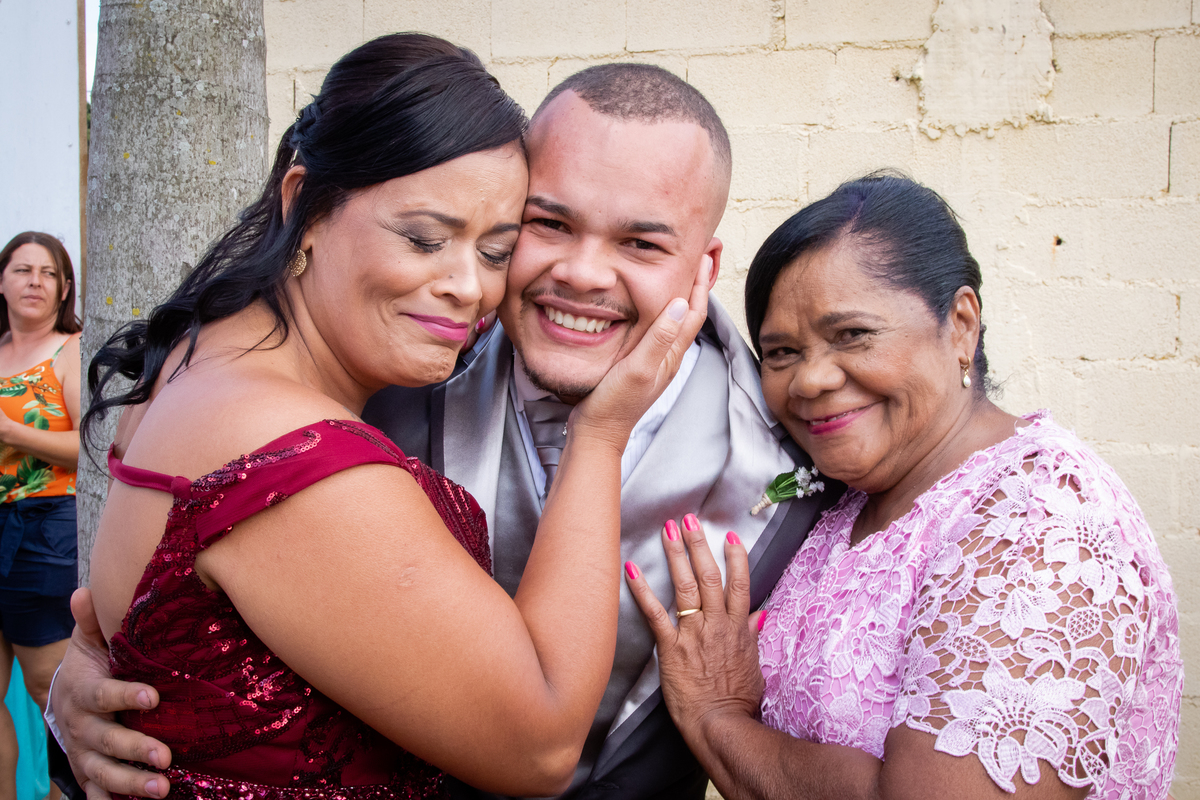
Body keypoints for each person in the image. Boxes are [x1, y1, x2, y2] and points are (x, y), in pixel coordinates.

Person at [50, 64, 839, 800]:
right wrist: (80, 687)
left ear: (702, 265)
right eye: (548, 225)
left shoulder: (803, 442)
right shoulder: (386, 362)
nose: (583, 273)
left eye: (640, 243)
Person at [625, 172, 1183, 799]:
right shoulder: (852, 499)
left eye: (852, 335)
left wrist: (716, 718)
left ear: (961, 324)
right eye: (781, 352)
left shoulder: (1043, 524)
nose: (809, 380)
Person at [0, 232, 81, 800]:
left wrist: (8, 430)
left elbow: (90, 446)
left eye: (48, 272)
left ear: (64, 288)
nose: (34, 281)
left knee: (48, 688)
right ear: (1, 280)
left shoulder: (70, 349)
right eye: (22, 269)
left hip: (46, 526)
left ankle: (74, 792)